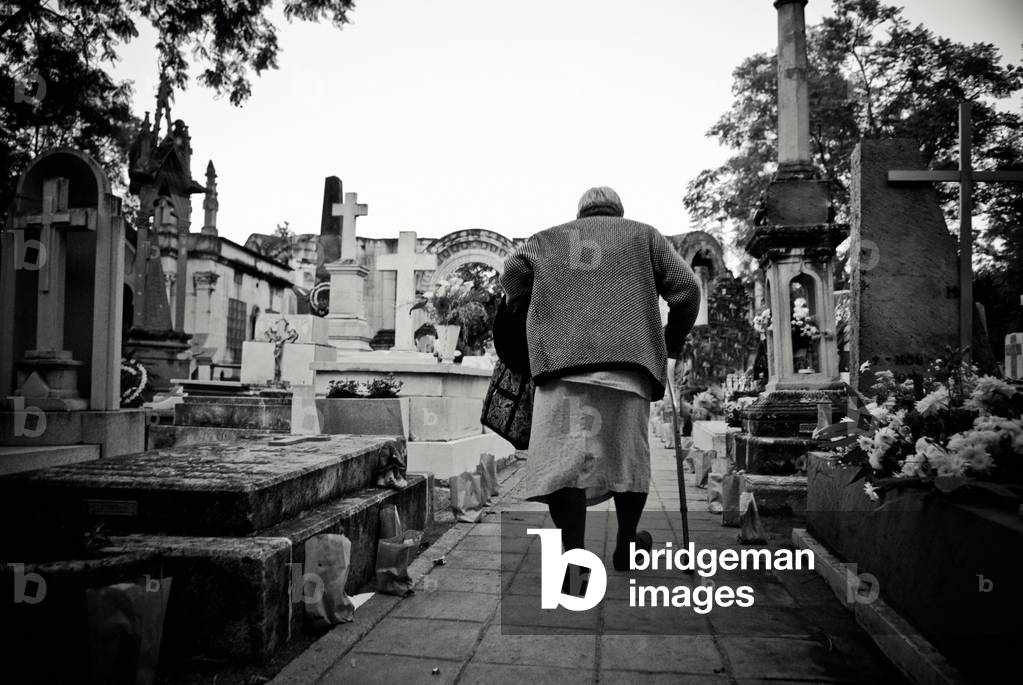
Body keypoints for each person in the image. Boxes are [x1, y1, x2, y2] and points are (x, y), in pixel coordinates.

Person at [497, 186, 701, 580]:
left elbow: (512, 276)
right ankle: (626, 545)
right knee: (629, 457)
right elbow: (688, 289)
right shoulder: (644, 236)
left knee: (565, 464)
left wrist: (524, 304)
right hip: (629, 366)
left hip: (562, 368)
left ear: (580, 214)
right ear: (618, 212)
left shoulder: (544, 240)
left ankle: (576, 559)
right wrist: (671, 342)